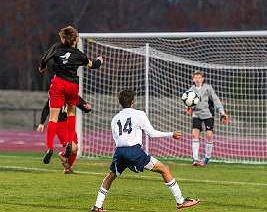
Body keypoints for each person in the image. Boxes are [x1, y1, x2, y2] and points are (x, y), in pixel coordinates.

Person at [89, 89, 200, 212]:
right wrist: (171, 134)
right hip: (134, 152)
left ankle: (97, 206)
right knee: (164, 169)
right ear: (133, 102)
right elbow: (151, 133)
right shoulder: (139, 114)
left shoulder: (115, 118)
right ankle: (180, 201)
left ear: (120, 102)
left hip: (119, 151)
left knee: (110, 176)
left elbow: (117, 138)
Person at [39, 25, 103, 164]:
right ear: (75, 40)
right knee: (71, 113)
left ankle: (49, 148)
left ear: (63, 38)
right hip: (72, 85)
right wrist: (100, 60)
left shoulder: (56, 48)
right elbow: (93, 65)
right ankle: (69, 142)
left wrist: (42, 67)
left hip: (58, 83)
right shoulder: (79, 55)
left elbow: (44, 59)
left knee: (53, 117)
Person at [37, 96, 91, 173]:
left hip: (69, 124)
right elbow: (46, 109)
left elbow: (78, 100)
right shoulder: (55, 95)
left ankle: (67, 168)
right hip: (60, 125)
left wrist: (85, 106)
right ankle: (62, 155)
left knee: (75, 150)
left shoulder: (70, 94)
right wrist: (42, 123)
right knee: (73, 148)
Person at [186, 71, 229, 166]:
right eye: (195, 77)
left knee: (209, 135)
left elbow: (216, 100)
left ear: (202, 79)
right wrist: (188, 107)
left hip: (208, 114)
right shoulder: (191, 90)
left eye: (199, 77)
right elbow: (188, 104)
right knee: (194, 134)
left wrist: (222, 113)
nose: (197, 79)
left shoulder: (208, 88)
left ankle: (206, 158)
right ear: (193, 79)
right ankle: (195, 159)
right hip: (196, 114)